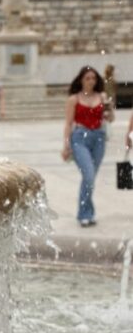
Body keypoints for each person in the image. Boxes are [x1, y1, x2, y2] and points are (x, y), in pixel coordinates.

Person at [61, 66, 115, 228]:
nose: (91, 81)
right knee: (89, 175)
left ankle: (88, 212)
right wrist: (65, 145)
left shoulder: (102, 96)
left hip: (98, 138)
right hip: (80, 138)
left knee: (89, 179)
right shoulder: (74, 99)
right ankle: (84, 214)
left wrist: (108, 109)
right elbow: (68, 123)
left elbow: (111, 119)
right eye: (87, 78)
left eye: (93, 78)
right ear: (81, 80)